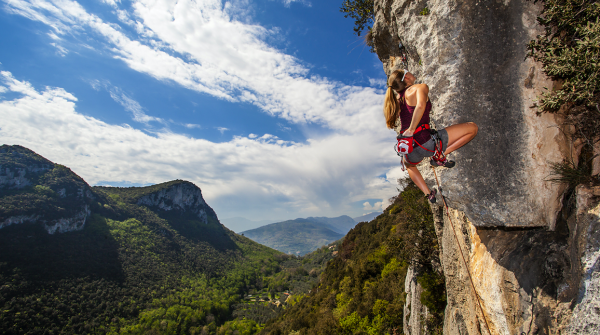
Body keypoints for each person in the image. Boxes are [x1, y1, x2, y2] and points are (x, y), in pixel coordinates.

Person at [384, 69, 478, 203]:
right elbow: (420, 106)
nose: (410, 71)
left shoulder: (397, 99)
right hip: (426, 141)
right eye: (407, 71)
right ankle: (439, 155)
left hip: (409, 148)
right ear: (407, 78)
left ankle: (429, 194)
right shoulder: (420, 87)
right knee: (472, 128)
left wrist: (409, 132)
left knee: (409, 166)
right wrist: (411, 129)